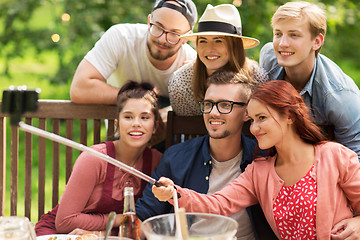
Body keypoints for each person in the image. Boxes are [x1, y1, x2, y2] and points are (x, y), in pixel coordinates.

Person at [152, 80, 360, 239]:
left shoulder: (336, 156)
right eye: (252, 120)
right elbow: (218, 204)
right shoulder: (259, 172)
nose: (254, 128)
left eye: (262, 118)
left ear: (290, 116)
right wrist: (175, 193)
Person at [136, 71, 277, 240]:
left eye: (225, 105)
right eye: (209, 104)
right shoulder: (176, 158)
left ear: (247, 112)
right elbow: (144, 217)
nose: (213, 113)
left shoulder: (263, 159)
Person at [34, 81, 162, 236]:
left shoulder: (157, 161)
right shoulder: (95, 158)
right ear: (117, 124)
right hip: (62, 234)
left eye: (144, 117)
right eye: (128, 117)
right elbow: (65, 222)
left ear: (154, 126)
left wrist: (99, 233)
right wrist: (119, 219)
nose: (136, 124)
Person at [259, 1, 360, 159]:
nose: (282, 44)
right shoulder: (268, 57)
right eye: (278, 34)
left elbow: (355, 157)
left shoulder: (340, 95)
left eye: (294, 35)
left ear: (317, 42)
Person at [70, 0, 198, 108]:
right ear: (149, 22)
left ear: (187, 37)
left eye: (174, 34)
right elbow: (79, 88)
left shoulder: (192, 63)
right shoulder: (121, 37)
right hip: (120, 132)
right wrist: (136, 97)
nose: (162, 39)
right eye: (158, 27)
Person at [168, 4, 268, 116]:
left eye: (218, 41)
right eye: (203, 41)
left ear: (235, 46)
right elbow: (185, 130)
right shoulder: (181, 84)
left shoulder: (257, 79)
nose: (209, 49)